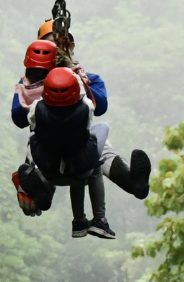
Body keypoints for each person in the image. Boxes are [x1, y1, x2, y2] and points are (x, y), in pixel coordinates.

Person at [10, 41, 151, 239]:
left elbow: (20, 117)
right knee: (96, 144)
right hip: (76, 158)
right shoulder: (36, 85)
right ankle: (111, 201)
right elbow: (95, 108)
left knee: (41, 148)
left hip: (49, 158)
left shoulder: (77, 82)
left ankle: (43, 193)